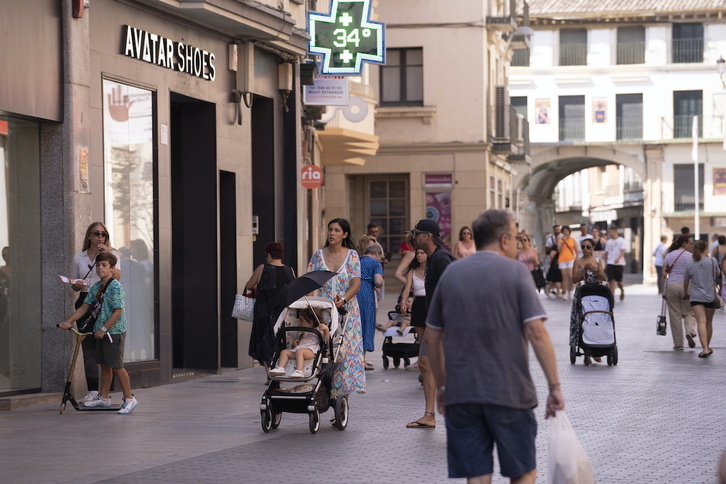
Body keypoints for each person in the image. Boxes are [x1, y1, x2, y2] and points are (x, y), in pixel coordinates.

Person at [426, 209, 564, 483]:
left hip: (462, 394)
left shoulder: (452, 273)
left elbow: (432, 337)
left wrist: (442, 387)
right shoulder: (516, 272)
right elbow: (536, 331)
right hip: (510, 392)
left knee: (476, 475)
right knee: (523, 471)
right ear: (504, 239)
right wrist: (554, 387)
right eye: (514, 236)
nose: (516, 242)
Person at [59, 252, 138, 414]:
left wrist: (104, 329)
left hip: (112, 332)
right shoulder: (96, 287)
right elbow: (83, 307)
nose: (100, 268)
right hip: (100, 331)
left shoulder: (115, 286)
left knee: (116, 366)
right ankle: (104, 398)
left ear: (112, 268)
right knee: (104, 365)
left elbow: (117, 311)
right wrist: (68, 321)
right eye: (98, 265)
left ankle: (130, 399)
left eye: (104, 265)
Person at [307, 218, 365, 397]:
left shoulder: (352, 255)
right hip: (324, 311)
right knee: (324, 351)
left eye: (337, 230)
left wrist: (345, 299)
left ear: (345, 234)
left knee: (344, 353)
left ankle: (342, 398)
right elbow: (310, 283)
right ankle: (323, 391)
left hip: (347, 312)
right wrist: (310, 306)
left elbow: (356, 283)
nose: (332, 233)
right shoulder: (318, 255)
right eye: (330, 229)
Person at [406, 219, 455, 430]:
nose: (414, 237)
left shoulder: (441, 258)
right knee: (425, 364)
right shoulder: (434, 258)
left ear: (428, 236)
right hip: (435, 321)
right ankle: (429, 414)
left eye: (417, 233)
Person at [68, 222, 123, 404]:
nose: (100, 237)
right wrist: (75, 285)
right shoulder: (79, 258)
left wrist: (105, 255)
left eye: (103, 234)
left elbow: (117, 277)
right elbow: (76, 281)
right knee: (88, 347)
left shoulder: (112, 254)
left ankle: (106, 393)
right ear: (89, 236)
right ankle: (93, 389)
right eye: (96, 233)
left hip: (105, 301)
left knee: (106, 349)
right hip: (86, 299)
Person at [245, 242, 295, 373]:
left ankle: (269, 373)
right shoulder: (289, 270)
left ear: (268, 255)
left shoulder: (262, 268)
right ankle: (279, 368)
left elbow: (249, 285)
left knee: (263, 342)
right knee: (280, 342)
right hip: (282, 313)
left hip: (264, 312)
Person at [570, 238, 607, 362]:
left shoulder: (597, 261)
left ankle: (596, 349)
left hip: (596, 294)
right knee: (582, 320)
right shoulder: (578, 262)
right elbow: (574, 279)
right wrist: (584, 270)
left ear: (592, 249)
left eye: (588, 247)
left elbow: (604, 277)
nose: (585, 249)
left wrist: (596, 270)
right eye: (583, 247)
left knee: (595, 319)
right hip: (582, 294)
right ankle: (585, 348)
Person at [268, 306, 330, 378]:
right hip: (299, 351)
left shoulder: (318, 330)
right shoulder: (302, 332)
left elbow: (325, 340)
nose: (299, 323)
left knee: (299, 351)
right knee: (284, 352)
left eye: (301, 321)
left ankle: (299, 371)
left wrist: (326, 331)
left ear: (310, 322)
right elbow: (300, 343)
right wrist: (294, 344)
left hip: (311, 351)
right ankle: (281, 368)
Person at [684, 240, 721, 358]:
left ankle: (704, 348)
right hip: (710, 295)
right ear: (705, 249)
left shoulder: (690, 263)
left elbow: (686, 280)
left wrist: (686, 293)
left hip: (695, 296)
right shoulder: (712, 261)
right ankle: (707, 347)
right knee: (708, 322)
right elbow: (717, 274)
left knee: (701, 321)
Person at [663, 235, 696, 350]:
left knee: (675, 316)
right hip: (686, 286)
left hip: (671, 286)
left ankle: (678, 344)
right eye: (690, 243)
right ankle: (690, 331)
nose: (691, 245)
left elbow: (663, 273)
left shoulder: (669, 255)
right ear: (684, 244)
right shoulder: (691, 257)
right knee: (690, 312)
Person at [358, 242, 384, 370]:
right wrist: (379, 283)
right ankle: (362, 360)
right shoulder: (375, 263)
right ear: (377, 253)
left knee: (356, 325)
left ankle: (355, 358)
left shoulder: (357, 259)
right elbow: (378, 281)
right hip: (366, 294)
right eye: (380, 256)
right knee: (367, 324)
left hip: (354, 291)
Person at [399, 248, 428, 338]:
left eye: (422, 253)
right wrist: (403, 301)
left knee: (431, 339)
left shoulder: (432, 269)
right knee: (421, 339)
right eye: (418, 253)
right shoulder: (412, 271)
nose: (419, 255)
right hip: (418, 303)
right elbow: (407, 289)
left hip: (430, 302)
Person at [603, 225, 627, 301]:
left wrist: (618, 258)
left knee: (619, 281)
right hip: (610, 262)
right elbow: (607, 252)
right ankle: (612, 296)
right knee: (611, 280)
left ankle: (622, 290)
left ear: (615, 231)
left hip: (618, 263)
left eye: (610, 232)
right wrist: (605, 262)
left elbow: (623, 251)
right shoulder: (609, 242)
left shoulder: (621, 240)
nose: (609, 234)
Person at [557, 226, 578, 299]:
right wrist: (562, 242)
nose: (565, 232)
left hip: (571, 259)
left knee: (570, 275)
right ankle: (565, 292)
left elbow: (576, 249)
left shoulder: (572, 239)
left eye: (567, 231)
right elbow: (559, 250)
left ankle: (571, 291)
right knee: (564, 276)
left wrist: (577, 258)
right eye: (564, 231)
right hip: (562, 259)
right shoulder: (560, 240)